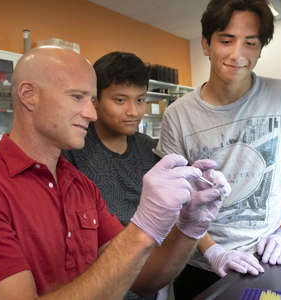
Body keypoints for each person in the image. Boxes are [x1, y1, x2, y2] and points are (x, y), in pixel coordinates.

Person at [0, 46, 231, 300]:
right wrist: (144, 228)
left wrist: (189, 225)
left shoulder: (81, 187)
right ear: (29, 95)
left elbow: (145, 280)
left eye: (92, 99)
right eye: (77, 97)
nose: (92, 113)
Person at [154, 0, 281, 298]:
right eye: (226, 40)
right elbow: (178, 198)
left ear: (260, 49)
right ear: (206, 44)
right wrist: (213, 250)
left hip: (272, 260)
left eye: (250, 43)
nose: (237, 54)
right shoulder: (177, 115)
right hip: (202, 266)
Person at [62, 51, 161, 300]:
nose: (133, 111)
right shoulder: (73, 150)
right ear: (95, 101)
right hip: (94, 281)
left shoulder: (149, 149)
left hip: (145, 274)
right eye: (120, 100)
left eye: (140, 100)